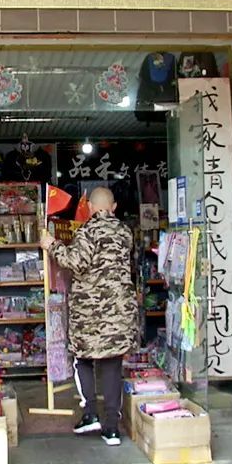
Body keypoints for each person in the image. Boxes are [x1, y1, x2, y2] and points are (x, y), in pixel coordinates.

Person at [40, 187, 136, 446]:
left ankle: (91, 413)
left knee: (83, 359)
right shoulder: (125, 232)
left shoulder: (87, 232)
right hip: (119, 314)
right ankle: (112, 428)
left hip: (89, 314)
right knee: (112, 365)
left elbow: (75, 262)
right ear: (113, 207)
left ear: (91, 208)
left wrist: (52, 245)